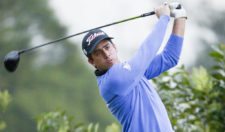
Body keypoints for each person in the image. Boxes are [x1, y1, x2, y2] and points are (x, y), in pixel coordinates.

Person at [81, 2, 187, 132]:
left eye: (107, 47)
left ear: (115, 46)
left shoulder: (132, 73)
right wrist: (163, 19)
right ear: (92, 62)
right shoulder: (112, 80)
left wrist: (180, 16)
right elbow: (146, 51)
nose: (106, 54)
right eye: (98, 53)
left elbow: (170, 57)